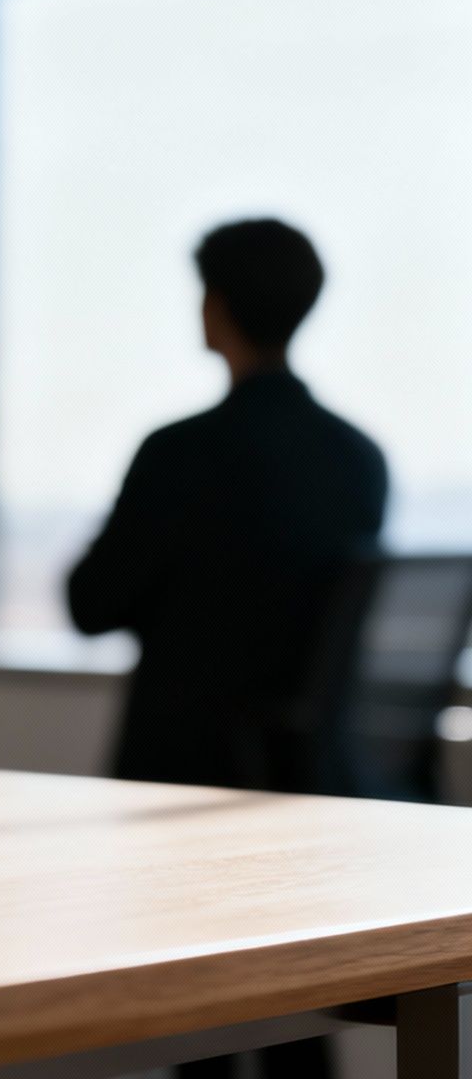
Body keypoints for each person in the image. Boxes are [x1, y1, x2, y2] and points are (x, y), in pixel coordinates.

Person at [67, 218, 387, 1078]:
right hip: (314, 788)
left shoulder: (181, 453)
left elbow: (91, 605)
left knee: (202, 1031)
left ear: (216, 307)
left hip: (183, 789)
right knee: (295, 1021)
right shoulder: (360, 459)